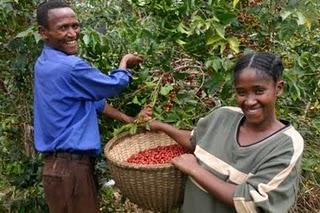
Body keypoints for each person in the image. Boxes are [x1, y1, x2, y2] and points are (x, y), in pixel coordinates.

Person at [149, 52, 304, 212]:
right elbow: (193, 141)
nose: (249, 101)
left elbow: (249, 201)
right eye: (241, 92)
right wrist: (161, 126)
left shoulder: (287, 145)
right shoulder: (223, 116)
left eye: (259, 91)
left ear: (278, 88)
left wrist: (194, 169)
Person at [34, 1, 151, 212]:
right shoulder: (70, 67)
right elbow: (115, 85)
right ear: (44, 32)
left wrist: (131, 121)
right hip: (72, 170)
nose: (72, 33)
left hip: (56, 170)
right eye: (63, 28)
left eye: (75, 26)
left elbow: (94, 102)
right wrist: (124, 63)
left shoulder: (44, 63)